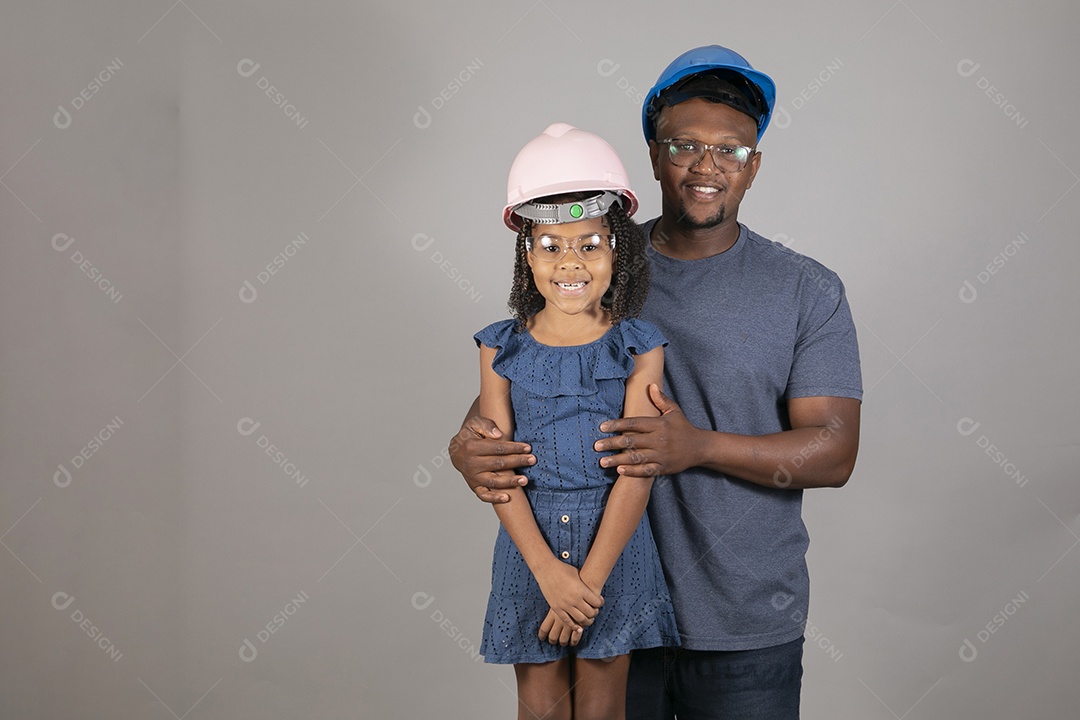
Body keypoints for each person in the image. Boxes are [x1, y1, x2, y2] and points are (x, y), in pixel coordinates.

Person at [453, 46, 862, 720]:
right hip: (601, 601)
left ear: (754, 165)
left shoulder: (805, 289)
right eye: (685, 144)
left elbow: (835, 451)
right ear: (653, 154)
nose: (707, 165)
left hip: (741, 623)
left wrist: (697, 447)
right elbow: (517, 384)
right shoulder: (591, 258)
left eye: (730, 150)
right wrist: (469, 444)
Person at [474, 122, 680, 720]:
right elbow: (498, 470)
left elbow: (637, 472)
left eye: (589, 244)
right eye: (550, 245)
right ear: (527, 252)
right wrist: (550, 575)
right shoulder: (498, 349)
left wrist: (586, 583)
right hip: (526, 550)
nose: (570, 261)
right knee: (539, 705)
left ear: (618, 248)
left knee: (601, 708)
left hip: (614, 551)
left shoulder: (641, 346)